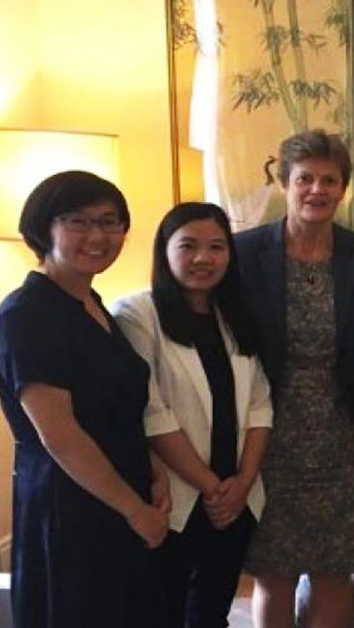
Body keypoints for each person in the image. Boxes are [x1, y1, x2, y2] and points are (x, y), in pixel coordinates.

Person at [0, 170, 169, 628]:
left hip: (118, 489)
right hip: (69, 500)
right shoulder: (26, 314)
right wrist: (135, 510)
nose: (98, 236)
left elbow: (117, 404)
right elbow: (61, 435)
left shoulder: (91, 304)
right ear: (44, 228)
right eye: (78, 222)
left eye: (109, 222)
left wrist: (153, 467)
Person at [234, 130, 354, 628]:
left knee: (334, 570)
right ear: (284, 183)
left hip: (346, 436)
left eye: (329, 180)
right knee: (274, 569)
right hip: (268, 434)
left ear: (343, 189)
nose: (317, 190)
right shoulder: (244, 254)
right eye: (305, 178)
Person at [113, 202, 272, 628]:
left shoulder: (233, 315)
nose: (203, 258)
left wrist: (242, 483)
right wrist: (212, 487)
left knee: (212, 612)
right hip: (177, 495)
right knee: (164, 610)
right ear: (164, 250)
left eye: (217, 247)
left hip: (236, 497)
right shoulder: (136, 314)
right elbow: (151, 411)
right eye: (188, 246)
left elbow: (260, 403)